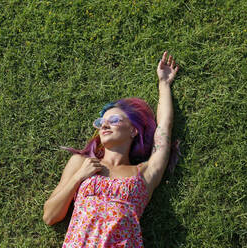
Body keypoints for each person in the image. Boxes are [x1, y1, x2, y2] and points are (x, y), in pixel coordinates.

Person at [43, 51, 180, 247]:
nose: (104, 126)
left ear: (133, 130)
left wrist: (164, 84)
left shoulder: (144, 173)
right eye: (101, 122)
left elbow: (164, 127)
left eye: (114, 120)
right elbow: (50, 216)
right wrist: (78, 177)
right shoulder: (82, 163)